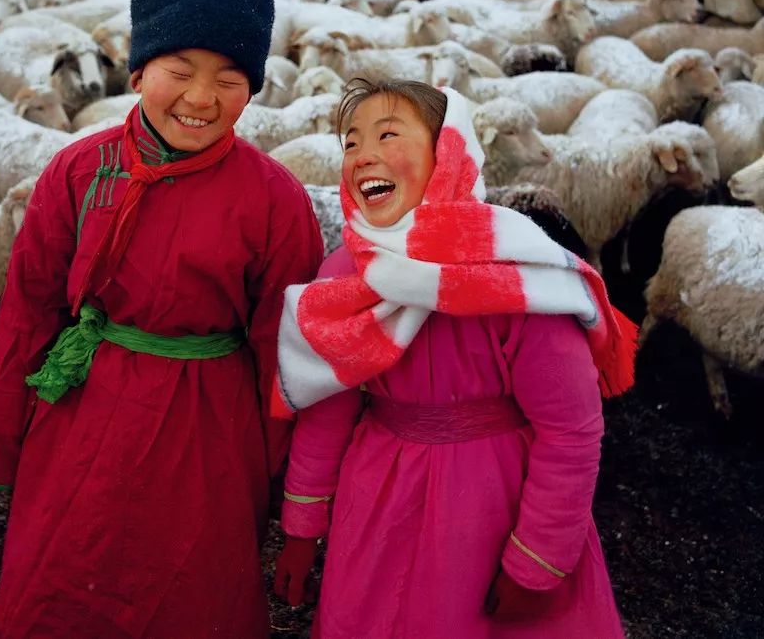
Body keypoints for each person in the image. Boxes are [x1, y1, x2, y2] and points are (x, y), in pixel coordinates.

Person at [0, 0, 324, 639]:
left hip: (207, 434)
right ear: (137, 71)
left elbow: (284, 356)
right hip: (82, 413)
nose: (201, 97)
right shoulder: (78, 172)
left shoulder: (274, 200)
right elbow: (29, 311)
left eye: (230, 79)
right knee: (65, 581)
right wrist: (3, 438)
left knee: (193, 596)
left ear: (253, 89)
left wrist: (281, 482)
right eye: (179, 68)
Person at [272, 77, 635, 639]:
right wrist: (302, 525)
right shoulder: (346, 274)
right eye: (350, 142)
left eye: (388, 135)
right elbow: (327, 410)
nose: (363, 154)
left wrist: (539, 558)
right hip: (379, 499)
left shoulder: (513, 273)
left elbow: (570, 430)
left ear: (448, 153)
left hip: (492, 502)